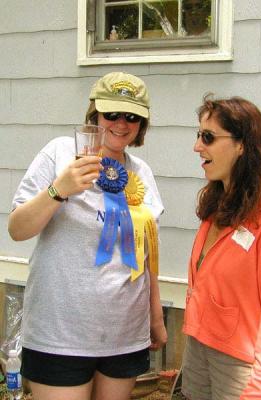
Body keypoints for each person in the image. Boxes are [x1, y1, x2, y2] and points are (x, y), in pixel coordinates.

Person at [8, 72, 167, 400]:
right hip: (61, 333)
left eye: (132, 117)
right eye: (112, 114)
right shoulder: (60, 153)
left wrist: (155, 317)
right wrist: (58, 190)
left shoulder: (141, 173)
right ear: (95, 112)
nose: (121, 124)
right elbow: (17, 229)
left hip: (125, 332)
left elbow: (146, 255)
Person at [181, 95, 261, 400]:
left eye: (208, 137)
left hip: (242, 365)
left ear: (242, 145)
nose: (197, 146)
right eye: (199, 135)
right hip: (200, 347)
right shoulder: (218, 206)